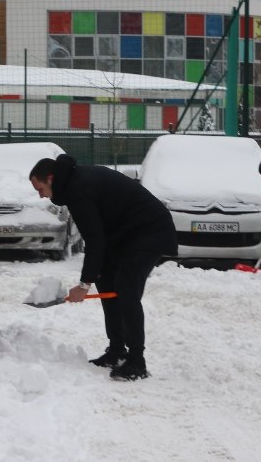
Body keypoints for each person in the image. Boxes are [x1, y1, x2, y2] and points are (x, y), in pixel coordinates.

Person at [30, 154, 176, 381]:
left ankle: (137, 361)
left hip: (149, 231)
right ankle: (117, 350)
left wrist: (83, 284)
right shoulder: (72, 183)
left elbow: (95, 239)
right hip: (125, 234)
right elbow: (97, 237)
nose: (40, 196)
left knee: (126, 288)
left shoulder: (77, 189)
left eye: (40, 189)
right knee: (106, 279)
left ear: (50, 178)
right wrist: (93, 275)